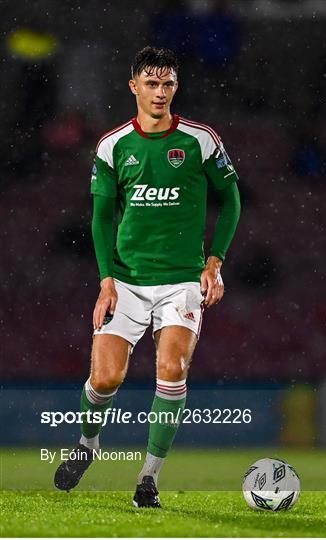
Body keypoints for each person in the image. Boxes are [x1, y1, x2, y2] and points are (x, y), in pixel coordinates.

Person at [54, 46, 241, 507]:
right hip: (126, 280)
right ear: (134, 86)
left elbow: (232, 201)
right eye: (152, 84)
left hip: (181, 280)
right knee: (105, 379)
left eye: (169, 84)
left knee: (172, 368)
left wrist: (214, 261)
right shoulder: (113, 145)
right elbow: (99, 220)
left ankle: (148, 479)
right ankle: (88, 443)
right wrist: (105, 280)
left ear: (177, 87)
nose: (161, 92)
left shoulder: (201, 140)